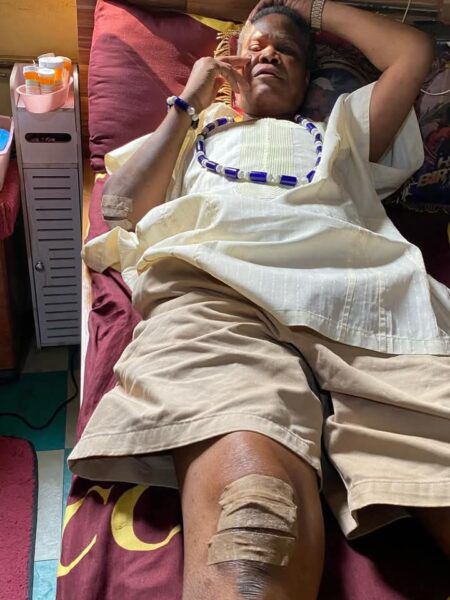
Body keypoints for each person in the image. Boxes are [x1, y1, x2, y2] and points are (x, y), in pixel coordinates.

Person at [69, 1, 450, 598]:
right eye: (255, 46)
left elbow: (413, 52)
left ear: (307, 78)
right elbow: (118, 206)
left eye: (287, 51)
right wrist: (187, 103)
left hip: (364, 303)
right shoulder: (191, 133)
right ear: (229, 66)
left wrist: (307, 8)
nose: (269, 53)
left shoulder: (340, 130)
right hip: (215, 297)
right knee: (254, 529)